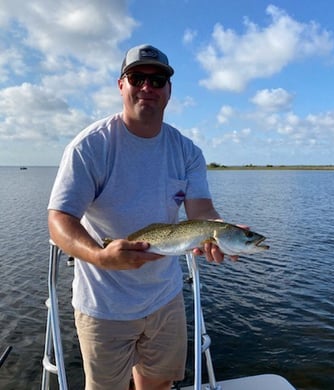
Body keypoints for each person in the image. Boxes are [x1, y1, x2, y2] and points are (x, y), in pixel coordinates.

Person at [47, 44, 229, 390]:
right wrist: (100, 256)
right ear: (121, 85)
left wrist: (224, 232)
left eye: (157, 79)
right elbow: (59, 219)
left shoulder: (187, 151)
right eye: (137, 78)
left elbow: (202, 212)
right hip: (104, 304)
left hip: (165, 297)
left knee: (159, 385)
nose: (148, 87)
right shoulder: (90, 147)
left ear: (169, 91)